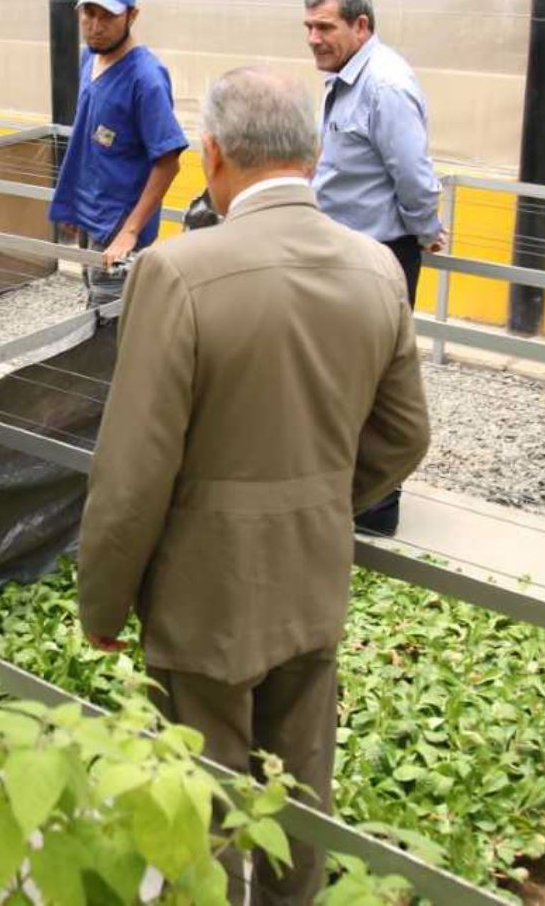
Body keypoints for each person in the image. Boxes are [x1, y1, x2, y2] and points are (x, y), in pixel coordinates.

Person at [77, 68, 431, 905]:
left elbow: (134, 472)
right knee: (299, 791)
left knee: (200, 799)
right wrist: (321, 502)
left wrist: (103, 604)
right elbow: (406, 435)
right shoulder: (378, 268)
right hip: (312, 576)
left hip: (201, 589)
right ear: (312, 154)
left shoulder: (177, 272)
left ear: (212, 155)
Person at [304, 0, 444, 538]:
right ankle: (346, 489)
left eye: (326, 27)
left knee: (371, 381)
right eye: (309, 27)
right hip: (345, 253)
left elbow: (412, 175)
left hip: (380, 258)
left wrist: (426, 228)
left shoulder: (384, 86)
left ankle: (377, 506)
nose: (314, 38)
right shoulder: (345, 80)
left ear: (361, 26)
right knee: (338, 377)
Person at [48, 0, 188, 307]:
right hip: (91, 216)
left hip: (119, 226)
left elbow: (168, 163)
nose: (95, 27)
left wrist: (130, 231)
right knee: (93, 298)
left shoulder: (146, 79)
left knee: (112, 319)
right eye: (88, 14)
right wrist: (74, 205)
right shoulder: (89, 59)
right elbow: (87, 138)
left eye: (107, 17)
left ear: (132, 15)